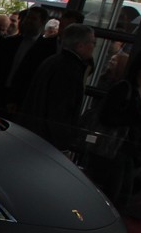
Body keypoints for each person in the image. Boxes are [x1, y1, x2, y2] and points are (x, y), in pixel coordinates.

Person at [97, 48, 141, 211]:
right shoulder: (125, 88)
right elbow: (108, 117)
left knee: (120, 193)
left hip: (127, 149)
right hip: (117, 149)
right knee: (115, 193)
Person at [18, 24, 96, 154]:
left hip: (32, 132)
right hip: (46, 141)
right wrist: (62, 143)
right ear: (80, 45)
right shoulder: (71, 69)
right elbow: (60, 109)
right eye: (92, 42)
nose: (93, 47)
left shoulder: (53, 60)